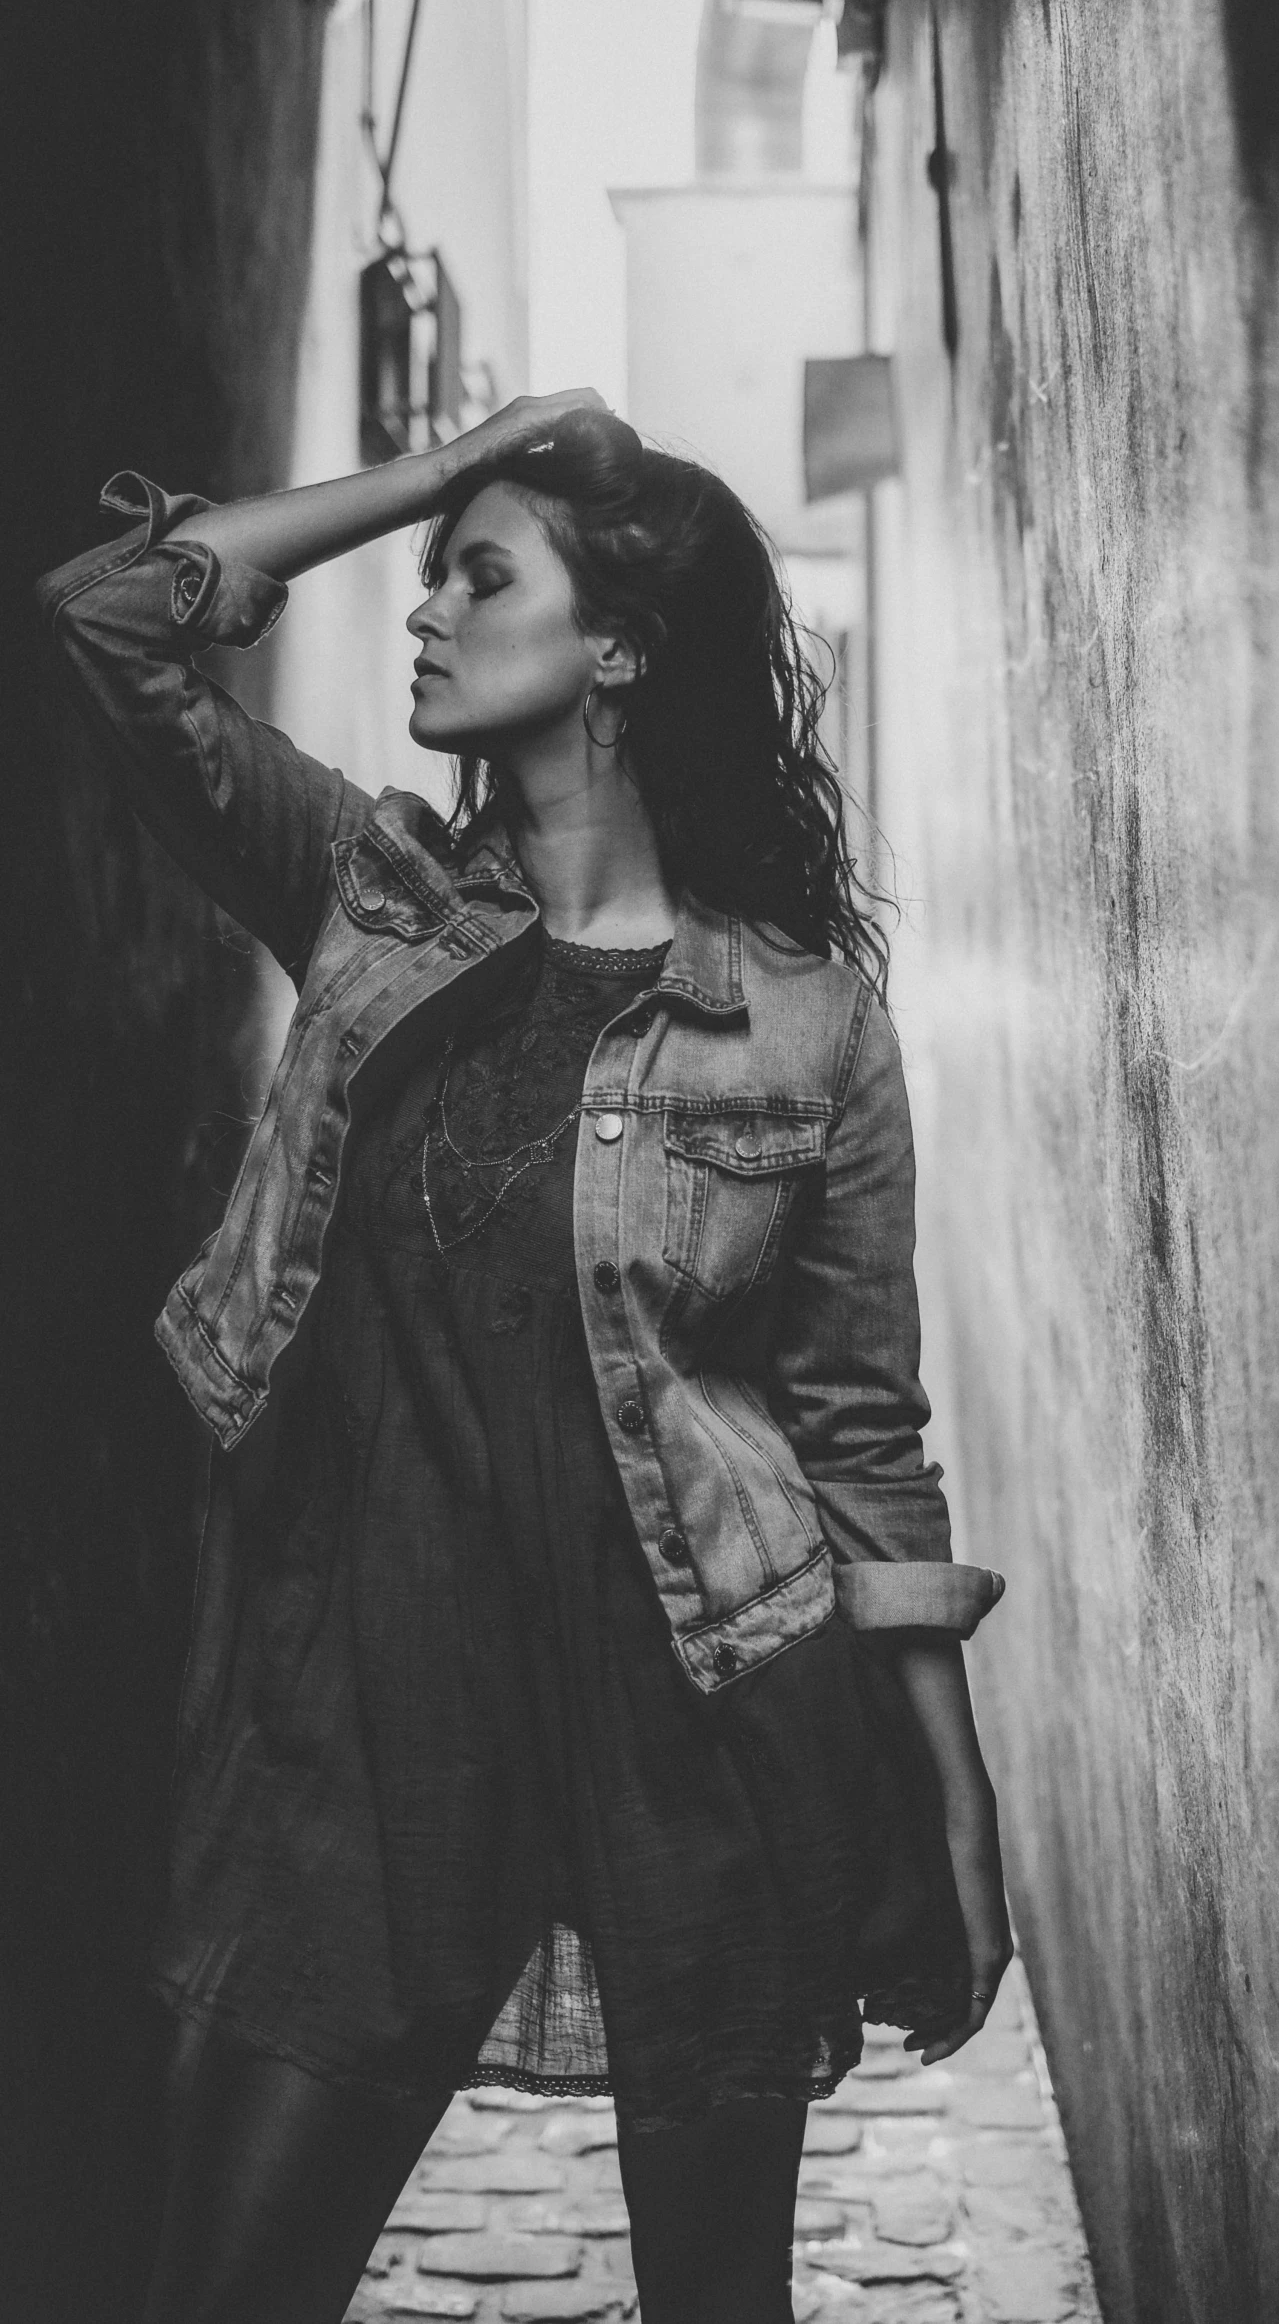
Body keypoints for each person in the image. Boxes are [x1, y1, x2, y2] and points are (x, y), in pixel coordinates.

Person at [36, 391, 1010, 2324]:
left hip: (705, 1728)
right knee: (221, 2278)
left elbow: (857, 1441)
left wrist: (954, 1824)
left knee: (717, 2296)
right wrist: (446, 462)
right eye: (430, 574)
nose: (424, 611)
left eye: (479, 577)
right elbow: (106, 618)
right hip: (366, 1742)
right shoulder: (371, 895)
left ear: (618, 648)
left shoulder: (804, 1026)